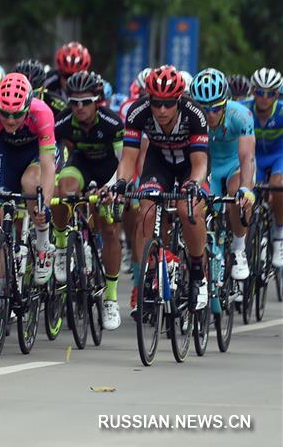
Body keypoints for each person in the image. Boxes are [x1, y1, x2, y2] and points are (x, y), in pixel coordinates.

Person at [114, 65, 209, 313]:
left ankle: (198, 272)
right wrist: (121, 183)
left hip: (190, 164)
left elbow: (200, 163)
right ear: (149, 100)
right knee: (146, 207)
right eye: (156, 103)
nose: (162, 110)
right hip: (160, 163)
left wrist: (194, 184)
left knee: (187, 208)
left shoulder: (194, 113)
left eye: (168, 103)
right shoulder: (138, 112)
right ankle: (150, 271)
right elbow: (128, 158)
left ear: (179, 99)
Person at [0, 73, 57, 290]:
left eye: (17, 115)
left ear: (28, 107)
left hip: (37, 155)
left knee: (30, 181)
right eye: (4, 114)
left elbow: (47, 165)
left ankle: (43, 242)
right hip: (8, 155)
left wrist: (45, 204)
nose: (10, 120)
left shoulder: (42, 113)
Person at [51, 71, 124, 329]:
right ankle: (61, 246)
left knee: (110, 230)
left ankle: (111, 298)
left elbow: (124, 162)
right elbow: (51, 155)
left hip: (109, 171)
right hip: (80, 165)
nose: (79, 107)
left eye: (86, 102)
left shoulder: (112, 123)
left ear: (98, 101)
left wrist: (111, 188)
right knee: (61, 194)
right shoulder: (62, 121)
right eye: (74, 102)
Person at [190, 68, 255, 280]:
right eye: (204, 108)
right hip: (208, 168)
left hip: (234, 164)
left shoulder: (240, 115)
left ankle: (238, 248)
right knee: (199, 208)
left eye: (216, 108)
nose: (210, 114)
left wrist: (246, 189)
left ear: (225, 102)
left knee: (237, 194)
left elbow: (247, 158)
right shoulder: (190, 118)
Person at [244, 67, 283, 267]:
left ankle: (279, 234)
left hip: (279, 156)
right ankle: (248, 237)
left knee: (277, 185)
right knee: (249, 191)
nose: (264, 97)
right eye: (260, 91)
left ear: (277, 94)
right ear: (253, 91)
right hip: (255, 157)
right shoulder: (244, 108)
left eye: (270, 93)